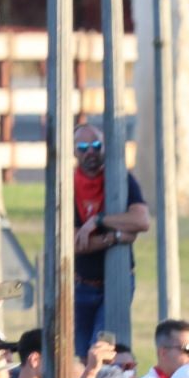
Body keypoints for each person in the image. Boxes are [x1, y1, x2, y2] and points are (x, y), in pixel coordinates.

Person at [72, 122, 151, 354]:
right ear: (74, 152)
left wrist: (97, 221)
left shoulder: (120, 180)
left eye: (96, 145)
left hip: (117, 283)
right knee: (79, 358)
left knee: (102, 353)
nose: (90, 152)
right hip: (81, 284)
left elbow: (141, 221)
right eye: (83, 147)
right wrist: (114, 237)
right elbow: (73, 244)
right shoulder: (68, 185)